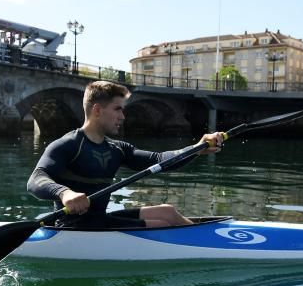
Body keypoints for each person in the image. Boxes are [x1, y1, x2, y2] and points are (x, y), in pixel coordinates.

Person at [27, 80, 223, 229]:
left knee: (167, 212)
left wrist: (197, 148)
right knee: (163, 225)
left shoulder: (117, 149)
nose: (123, 116)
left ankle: (206, 240)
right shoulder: (68, 144)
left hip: (102, 220)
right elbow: (36, 179)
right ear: (97, 110)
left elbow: (159, 160)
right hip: (73, 227)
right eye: (117, 109)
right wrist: (65, 193)